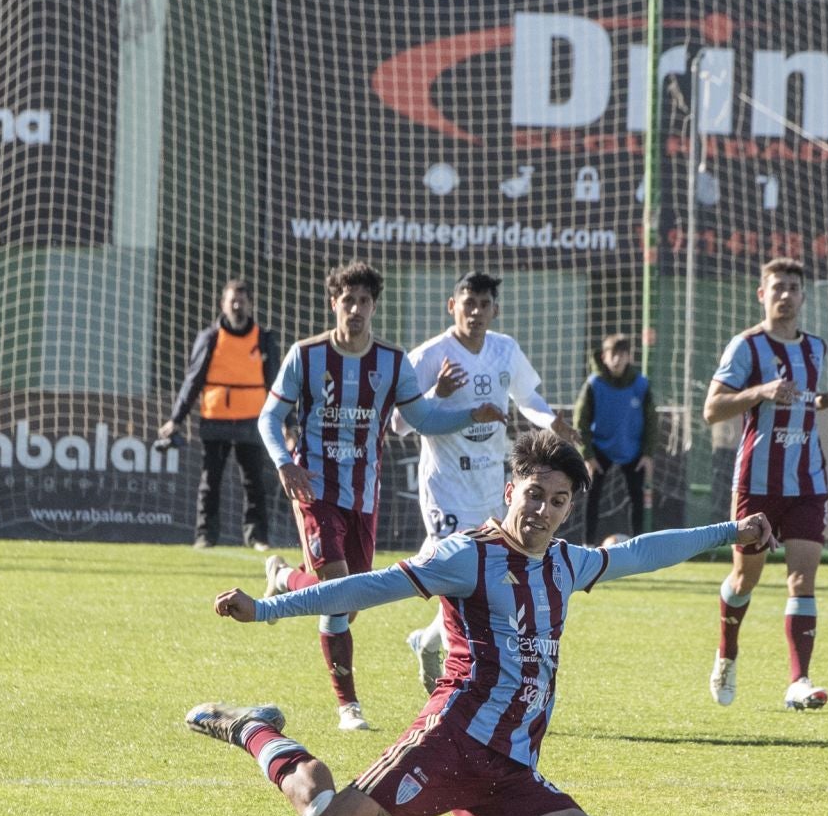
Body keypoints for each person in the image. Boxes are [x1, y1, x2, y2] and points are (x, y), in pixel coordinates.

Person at [187, 432, 776, 816]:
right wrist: (265, 609)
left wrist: (731, 532)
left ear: (569, 509)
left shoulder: (568, 564)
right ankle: (255, 731)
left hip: (510, 764)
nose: (542, 510)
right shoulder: (466, 556)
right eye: (534, 494)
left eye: (558, 501)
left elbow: (645, 552)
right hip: (452, 741)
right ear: (509, 491)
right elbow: (369, 586)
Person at [257, 260, 488, 732]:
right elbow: (268, 418)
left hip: (364, 496)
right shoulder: (306, 356)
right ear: (334, 304)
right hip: (315, 488)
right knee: (340, 595)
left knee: (350, 600)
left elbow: (420, 420)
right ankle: (349, 707)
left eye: (364, 301)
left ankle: (283, 577)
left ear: (374, 306)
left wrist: (468, 414)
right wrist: (284, 461)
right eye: (348, 301)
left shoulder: (392, 362)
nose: (356, 309)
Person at [397, 271, 576, 694]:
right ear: (452, 305)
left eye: (483, 305)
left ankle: (426, 642)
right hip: (446, 484)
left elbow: (528, 399)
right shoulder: (429, 356)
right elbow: (400, 422)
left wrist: (552, 422)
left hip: (492, 483)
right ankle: (462, 669)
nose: (475, 312)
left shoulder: (504, 350)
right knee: (451, 567)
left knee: (486, 573)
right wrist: (438, 393)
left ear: (495, 309)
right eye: (468, 303)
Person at [704, 258, 828, 710]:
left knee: (802, 581)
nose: (786, 295)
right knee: (746, 578)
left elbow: (801, 400)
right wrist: (761, 391)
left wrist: (824, 401)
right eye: (777, 287)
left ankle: (798, 683)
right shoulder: (746, 346)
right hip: (757, 482)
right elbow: (713, 408)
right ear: (761, 294)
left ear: (803, 297)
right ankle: (727, 653)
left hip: (807, 480)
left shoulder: (815, 348)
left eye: (793, 288)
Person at [159, 279, 282, 550]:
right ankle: (205, 535)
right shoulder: (211, 338)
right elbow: (193, 381)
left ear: (250, 304)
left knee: (254, 482)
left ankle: (257, 536)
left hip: (252, 419)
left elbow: (276, 383)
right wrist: (175, 419)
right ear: (222, 304)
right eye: (232, 300)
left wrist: (287, 421)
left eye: (241, 300)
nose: (237, 305)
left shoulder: (263, 338)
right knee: (210, 481)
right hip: (216, 418)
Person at [574, 333, 654, 542]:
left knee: (636, 497)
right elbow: (580, 421)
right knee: (592, 496)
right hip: (600, 448)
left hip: (633, 448)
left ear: (629, 357)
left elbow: (652, 420)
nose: (617, 360)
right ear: (604, 357)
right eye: (613, 355)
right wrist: (588, 455)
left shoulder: (641, 384)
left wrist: (647, 453)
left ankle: (639, 547)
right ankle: (588, 545)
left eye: (622, 354)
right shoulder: (594, 384)